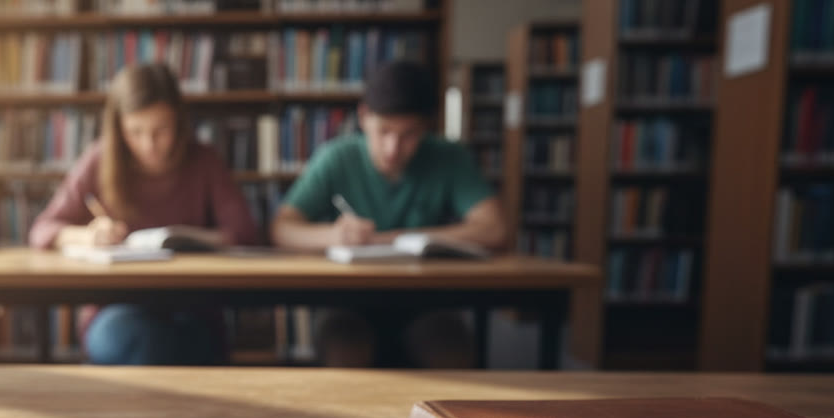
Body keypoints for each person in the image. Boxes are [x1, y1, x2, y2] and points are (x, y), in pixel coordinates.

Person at [271, 59, 507, 368]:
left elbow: (494, 229)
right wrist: (333, 235)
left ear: (426, 127)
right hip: (348, 302)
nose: (393, 148)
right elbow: (282, 228)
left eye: (409, 134)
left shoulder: (449, 157)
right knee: (345, 354)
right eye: (384, 131)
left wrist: (394, 238)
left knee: (452, 356)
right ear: (364, 117)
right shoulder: (336, 157)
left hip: (428, 302)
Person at [28, 63, 261, 365]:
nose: (148, 144)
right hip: (115, 308)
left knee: (188, 340)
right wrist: (88, 235)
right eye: (135, 132)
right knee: (146, 340)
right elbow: (43, 229)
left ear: (179, 122)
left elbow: (245, 232)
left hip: (191, 307)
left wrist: (191, 240)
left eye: (161, 130)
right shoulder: (100, 159)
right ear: (119, 127)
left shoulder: (203, 160)